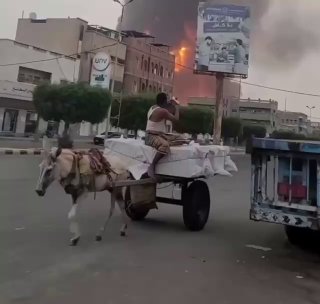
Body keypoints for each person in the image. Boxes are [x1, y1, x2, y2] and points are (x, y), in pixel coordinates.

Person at [145, 93, 180, 178]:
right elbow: (176, 119)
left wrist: (171, 106)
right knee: (165, 145)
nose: (168, 102)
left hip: (157, 135)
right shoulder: (162, 111)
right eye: (167, 100)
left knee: (179, 138)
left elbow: (168, 112)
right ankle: (152, 165)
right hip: (151, 136)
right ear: (164, 101)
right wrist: (176, 106)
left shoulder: (153, 107)